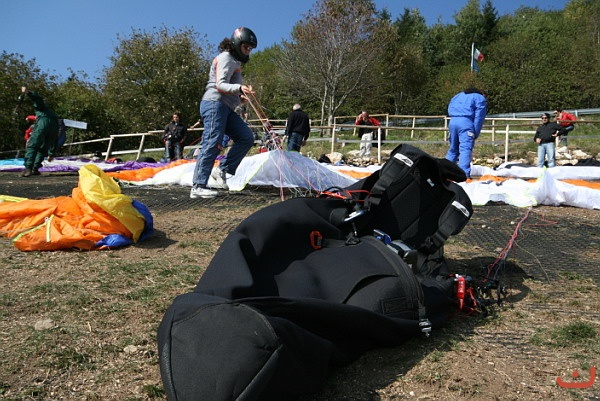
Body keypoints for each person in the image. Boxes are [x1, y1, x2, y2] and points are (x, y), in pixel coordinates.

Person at [190, 27, 258, 199]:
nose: (248, 51)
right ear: (237, 44)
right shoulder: (226, 58)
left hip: (226, 108)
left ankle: (222, 169)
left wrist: (239, 98)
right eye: (246, 47)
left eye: (250, 49)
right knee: (212, 142)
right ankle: (198, 186)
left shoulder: (234, 62)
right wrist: (239, 88)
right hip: (214, 104)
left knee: (246, 137)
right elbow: (220, 84)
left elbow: (229, 89)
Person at [445, 87, 487, 179]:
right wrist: (475, 133)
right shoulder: (479, 98)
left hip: (452, 122)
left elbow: (449, 109)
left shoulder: (457, 96)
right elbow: (479, 117)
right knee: (465, 149)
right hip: (466, 123)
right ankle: (464, 176)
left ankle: (444, 172)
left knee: (453, 149)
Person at [19, 86, 59, 177]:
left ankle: (28, 168)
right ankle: (35, 168)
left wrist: (28, 92)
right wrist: (52, 153)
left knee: (32, 145)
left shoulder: (41, 108)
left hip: (43, 124)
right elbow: (55, 139)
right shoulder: (52, 114)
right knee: (43, 148)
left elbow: (38, 100)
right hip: (54, 127)